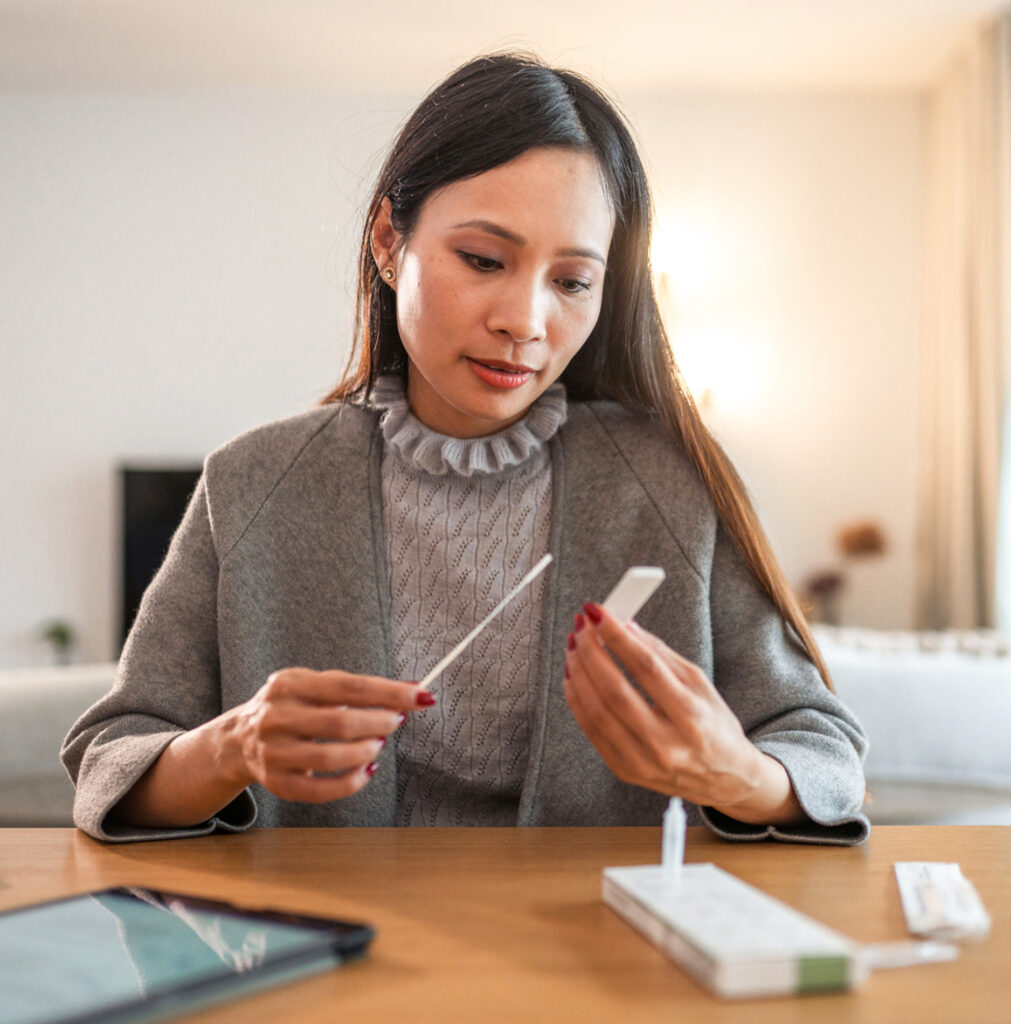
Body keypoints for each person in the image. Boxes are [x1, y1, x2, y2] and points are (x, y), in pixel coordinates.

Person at [61, 52, 869, 845]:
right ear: (388, 240)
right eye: (484, 260)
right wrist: (229, 748)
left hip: (603, 958)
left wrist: (736, 774)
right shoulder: (253, 483)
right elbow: (111, 757)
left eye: (573, 282)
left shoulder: (668, 483)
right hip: (330, 956)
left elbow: (820, 746)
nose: (524, 319)